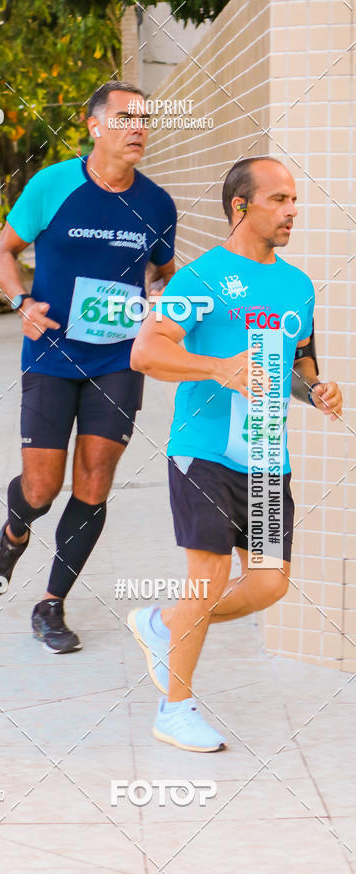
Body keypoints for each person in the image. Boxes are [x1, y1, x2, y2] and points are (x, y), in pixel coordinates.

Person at [129, 156, 343, 751]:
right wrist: (219, 368)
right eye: (278, 200)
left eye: (294, 199)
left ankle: (161, 623)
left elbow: (299, 363)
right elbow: (146, 352)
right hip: (206, 451)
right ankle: (175, 709)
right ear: (240, 207)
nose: (292, 211)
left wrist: (319, 389)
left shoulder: (298, 286)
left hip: (269, 454)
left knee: (270, 585)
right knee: (208, 577)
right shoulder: (201, 279)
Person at [0, 81, 177, 652]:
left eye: (143, 118)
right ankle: (13, 535)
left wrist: (157, 306)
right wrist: (22, 302)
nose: (137, 128)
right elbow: (2, 252)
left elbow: (162, 271)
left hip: (118, 359)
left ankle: (51, 604)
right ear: (94, 126)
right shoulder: (53, 184)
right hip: (51, 353)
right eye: (124, 118)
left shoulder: (157, 203)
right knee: (41, 488)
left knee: (93, 482)